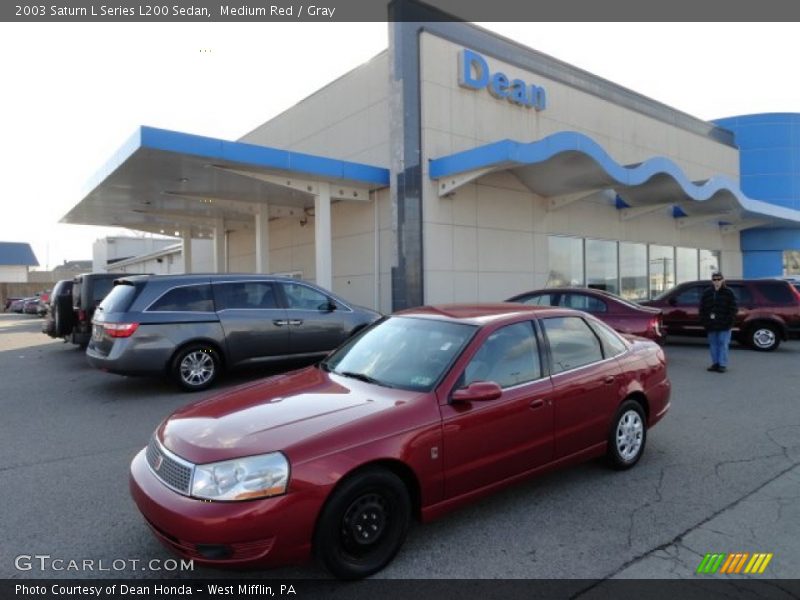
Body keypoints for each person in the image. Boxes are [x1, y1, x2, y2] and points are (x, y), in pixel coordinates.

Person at [699, 272, 738, 373]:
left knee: (723, 343)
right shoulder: (707, 292)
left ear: (723, 280)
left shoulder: (729, 292)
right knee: (713, 344)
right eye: (714, 279)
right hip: (711, 324)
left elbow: (733, 308)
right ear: (712, 281)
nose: (716, 281)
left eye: (718, 279)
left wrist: (729, 321)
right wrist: (704, 320)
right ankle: (715, 363)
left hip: (724, 324)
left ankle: (722, 364)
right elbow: (702, 308)